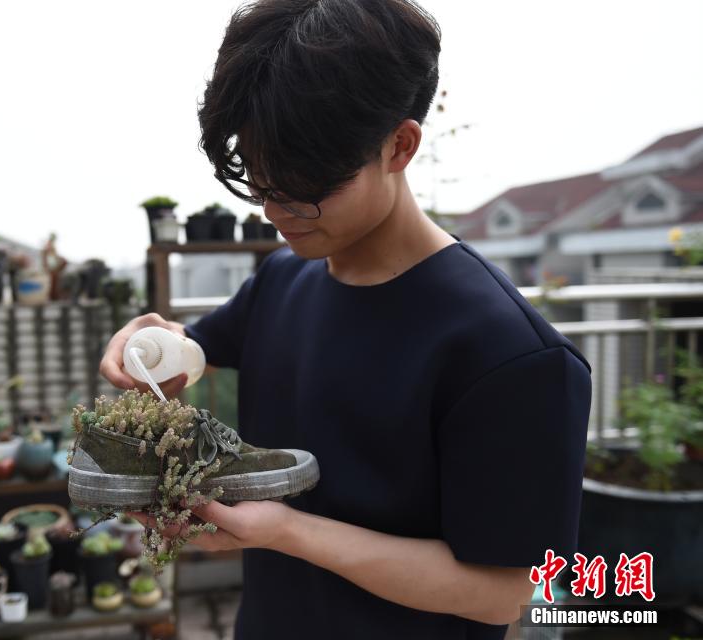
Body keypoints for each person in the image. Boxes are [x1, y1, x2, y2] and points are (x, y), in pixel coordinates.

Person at [100, 1, 592, 638]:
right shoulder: (284, 278)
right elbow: (192, 349)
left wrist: (285, 532)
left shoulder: (510, 353)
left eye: (304, 185)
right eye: (259, 176)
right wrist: (149, 342)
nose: (277, 210)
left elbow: (501, 594)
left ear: (400, 145)